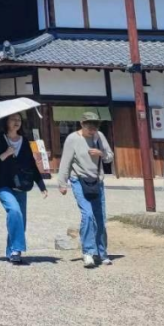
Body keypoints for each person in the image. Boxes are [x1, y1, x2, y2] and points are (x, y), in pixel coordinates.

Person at [0, 113, 47, 265]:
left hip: (21, 184)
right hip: (2, 183)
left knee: (20, 220)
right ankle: (17, 249)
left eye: (19, 120)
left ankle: (11, 251)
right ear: (6, 121)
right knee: (14, 211)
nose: (17, 122)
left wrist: (41, 185)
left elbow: (31, 164)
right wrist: (6, 153)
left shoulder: (24, 141)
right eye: (13, 119)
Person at [57, 111, 115, 268]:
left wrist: (101, 153)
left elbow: (110, 156)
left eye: (95, 125)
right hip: (79, 179)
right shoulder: (73, 139)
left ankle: (101, 253)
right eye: (89, 125)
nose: (92, 128)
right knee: (88, 215)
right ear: (82, 124)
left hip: (97, 181)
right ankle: (88, 252)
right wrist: (62, 183)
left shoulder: (99, 137)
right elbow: (66, 162)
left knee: (100, 218)